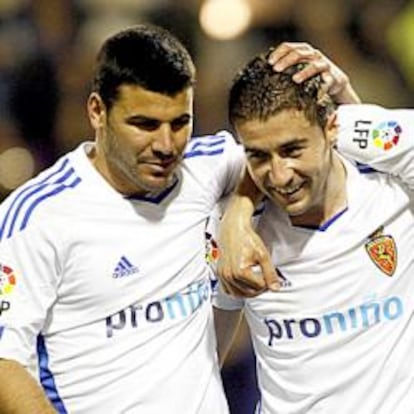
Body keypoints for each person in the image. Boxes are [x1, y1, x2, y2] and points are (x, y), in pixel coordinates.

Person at [0, 24, 247, 414]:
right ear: (98, 111)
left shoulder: (211, 169)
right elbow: (4, 362)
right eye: (144, 125)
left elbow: (311, 154)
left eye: (180, 123)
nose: (166, 145)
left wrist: (241, 214)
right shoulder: (39, 217)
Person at [213, 47, 414, 413]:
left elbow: (389, 137)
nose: (280, 175)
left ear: (334, 128)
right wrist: (238, 212)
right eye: (259, 155)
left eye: (293, 150)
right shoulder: (235, 235)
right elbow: (207, 356)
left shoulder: (394, 187)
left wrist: (344, 91)